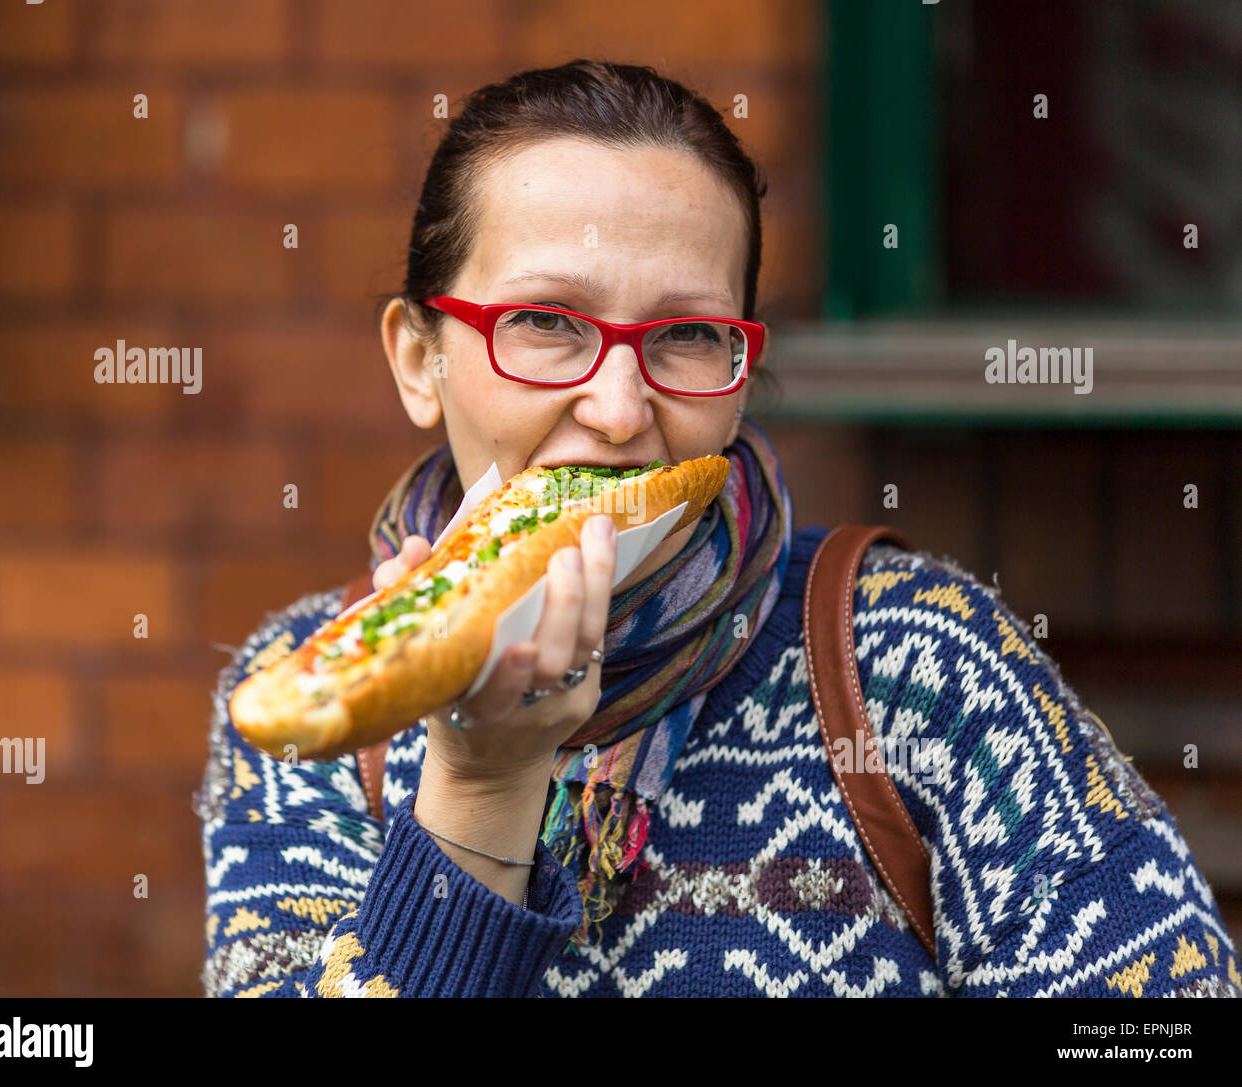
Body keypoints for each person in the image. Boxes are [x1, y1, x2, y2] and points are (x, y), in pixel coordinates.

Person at [196, 59, 1240, 998]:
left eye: (687, 336)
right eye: (547, 324)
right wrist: (481, 786)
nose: (616, 408)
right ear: (420, 359)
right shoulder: (308, 707)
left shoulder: (918, 662)